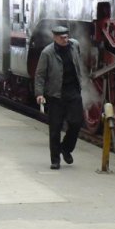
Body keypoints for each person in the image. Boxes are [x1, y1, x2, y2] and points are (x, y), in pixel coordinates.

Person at [35, 25, 85, 170]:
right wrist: (39, 94)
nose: (65, 39)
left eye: (66, 36)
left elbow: (78, 62)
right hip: (56, 95)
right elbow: (40, 75)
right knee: (55, 128)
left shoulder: (75, 46)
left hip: (73, 92)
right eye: (62, 37)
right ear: (55, 38)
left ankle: (66, 148)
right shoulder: (47, 53)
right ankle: (55, 160)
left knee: (76, 123)